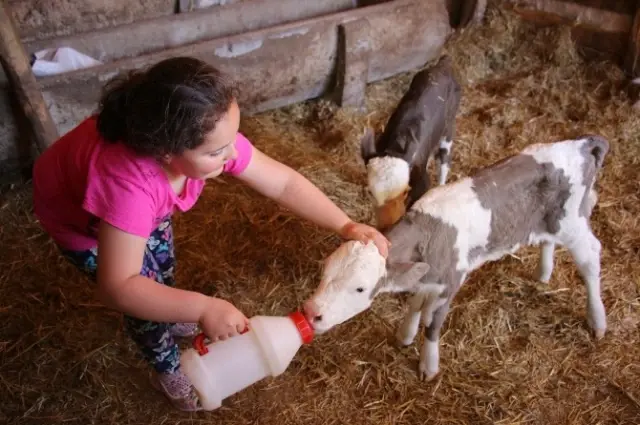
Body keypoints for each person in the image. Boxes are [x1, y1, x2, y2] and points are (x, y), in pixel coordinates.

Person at [32, 56, 390, 411]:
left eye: (232, 138)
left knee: (160, 269)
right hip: (81, 221)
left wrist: (345, 224)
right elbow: (118, 286)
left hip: (137, 209)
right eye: (218, 150)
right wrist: (203, 307)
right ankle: (169, 368)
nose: (232, 154)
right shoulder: (130, 186)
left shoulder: (202, 137)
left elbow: (282, 184)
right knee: (144, 303)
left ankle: (169, 308)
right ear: (166, 150)